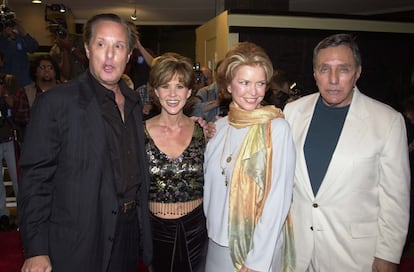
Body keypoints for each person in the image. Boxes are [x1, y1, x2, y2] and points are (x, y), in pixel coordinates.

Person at [18, 13, 152, 272]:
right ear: (88, 50)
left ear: (128, 55)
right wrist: (36, 249)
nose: (110, 55)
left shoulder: (134, 104)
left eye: (118, 46)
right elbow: (35, 181)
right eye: (102, 44)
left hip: (128, 234)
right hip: (78, 239)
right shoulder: (56, 103)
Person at [283, 33, 410, 272]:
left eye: (343, 70)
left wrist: (388, 256)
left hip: (354, 256)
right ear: (314, 73)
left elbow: (396, 199)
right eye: (324, 69)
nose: (332, 79)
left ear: (357, 72)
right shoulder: (292, 112)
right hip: (296, 253)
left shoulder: (387, 121)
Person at [203, 41, 295, 271]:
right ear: (229, 85)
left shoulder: (276, 128)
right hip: (215, 244)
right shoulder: (219, 128)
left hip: (254, 251)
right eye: (244, 83)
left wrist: (256, 262)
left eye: (260, 83)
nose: (254, 92)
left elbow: (278, 199)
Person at [144, 52, 208, 272]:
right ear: (155, 91)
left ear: (189, 91)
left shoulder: (203, 132)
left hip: (197, 229)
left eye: (179, 86)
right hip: (155, 231)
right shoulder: (137, 133)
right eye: (165, 86)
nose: (172, 94)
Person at [0, 73, 21, 231]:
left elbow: (15, 106)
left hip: (9, 137)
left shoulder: (8, 80)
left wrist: (5, 93)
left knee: (17, 178)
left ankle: (23, 213)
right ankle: (3, 215)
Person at [0, 17, 39, 89]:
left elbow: (33, 48)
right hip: (5, 84)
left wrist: (22, 31)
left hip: (24, 83)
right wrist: (6, 38)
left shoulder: (20, 38)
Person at [124, 22, 154, 90]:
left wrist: (139, 46)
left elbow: (154, 64)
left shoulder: (144, 52)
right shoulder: (120, 51)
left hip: (142, 90)